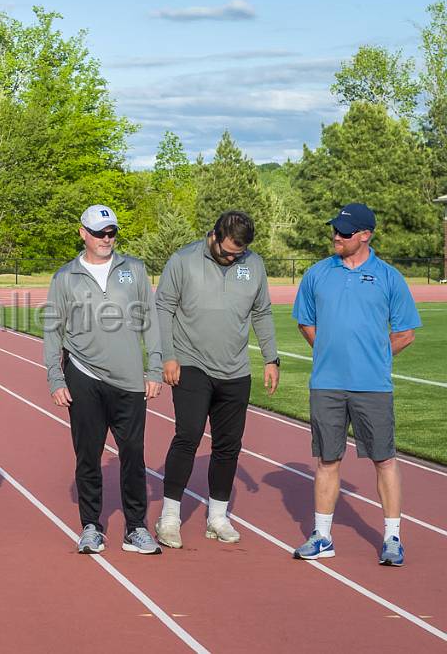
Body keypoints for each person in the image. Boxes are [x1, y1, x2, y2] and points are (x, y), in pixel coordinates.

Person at [291, 202, 420, 566]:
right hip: (327, 385)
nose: (336, 236)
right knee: (327, 459)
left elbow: (406, 333)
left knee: (384, 459)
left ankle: (393, 538)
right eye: (334, 230)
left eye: (344, 233)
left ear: (365, 235)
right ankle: (322, 537)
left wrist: (374, 359)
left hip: (373, 387)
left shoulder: (389, 277)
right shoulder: (317, 274)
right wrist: (329, 352)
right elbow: (305, 323)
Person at [152, 211, 280, 549]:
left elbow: (262, 311)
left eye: (237, 253)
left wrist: (271, 358)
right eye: (226, 252)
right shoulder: (183, 260)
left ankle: (218, 517)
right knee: (189, 435)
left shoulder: (253, 264)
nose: (231, 258)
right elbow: (163, 307)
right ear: (213, 234)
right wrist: (167, 355)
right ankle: (169, 516)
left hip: (236, 369)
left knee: (228, 445)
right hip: (191, 363)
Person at [43, 204, 164, 555]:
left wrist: (154, 368)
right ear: (83, 233)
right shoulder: (65, 276)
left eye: (111, 233)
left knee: (133, 455)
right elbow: (53, 330)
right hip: (82, 376)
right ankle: (92, 526)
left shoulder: (135, 270)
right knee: (88, 456)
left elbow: (151, 322)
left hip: (129, 381)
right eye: (99, 233)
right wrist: (55, 377)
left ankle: (136, 528)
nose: (106, 239)